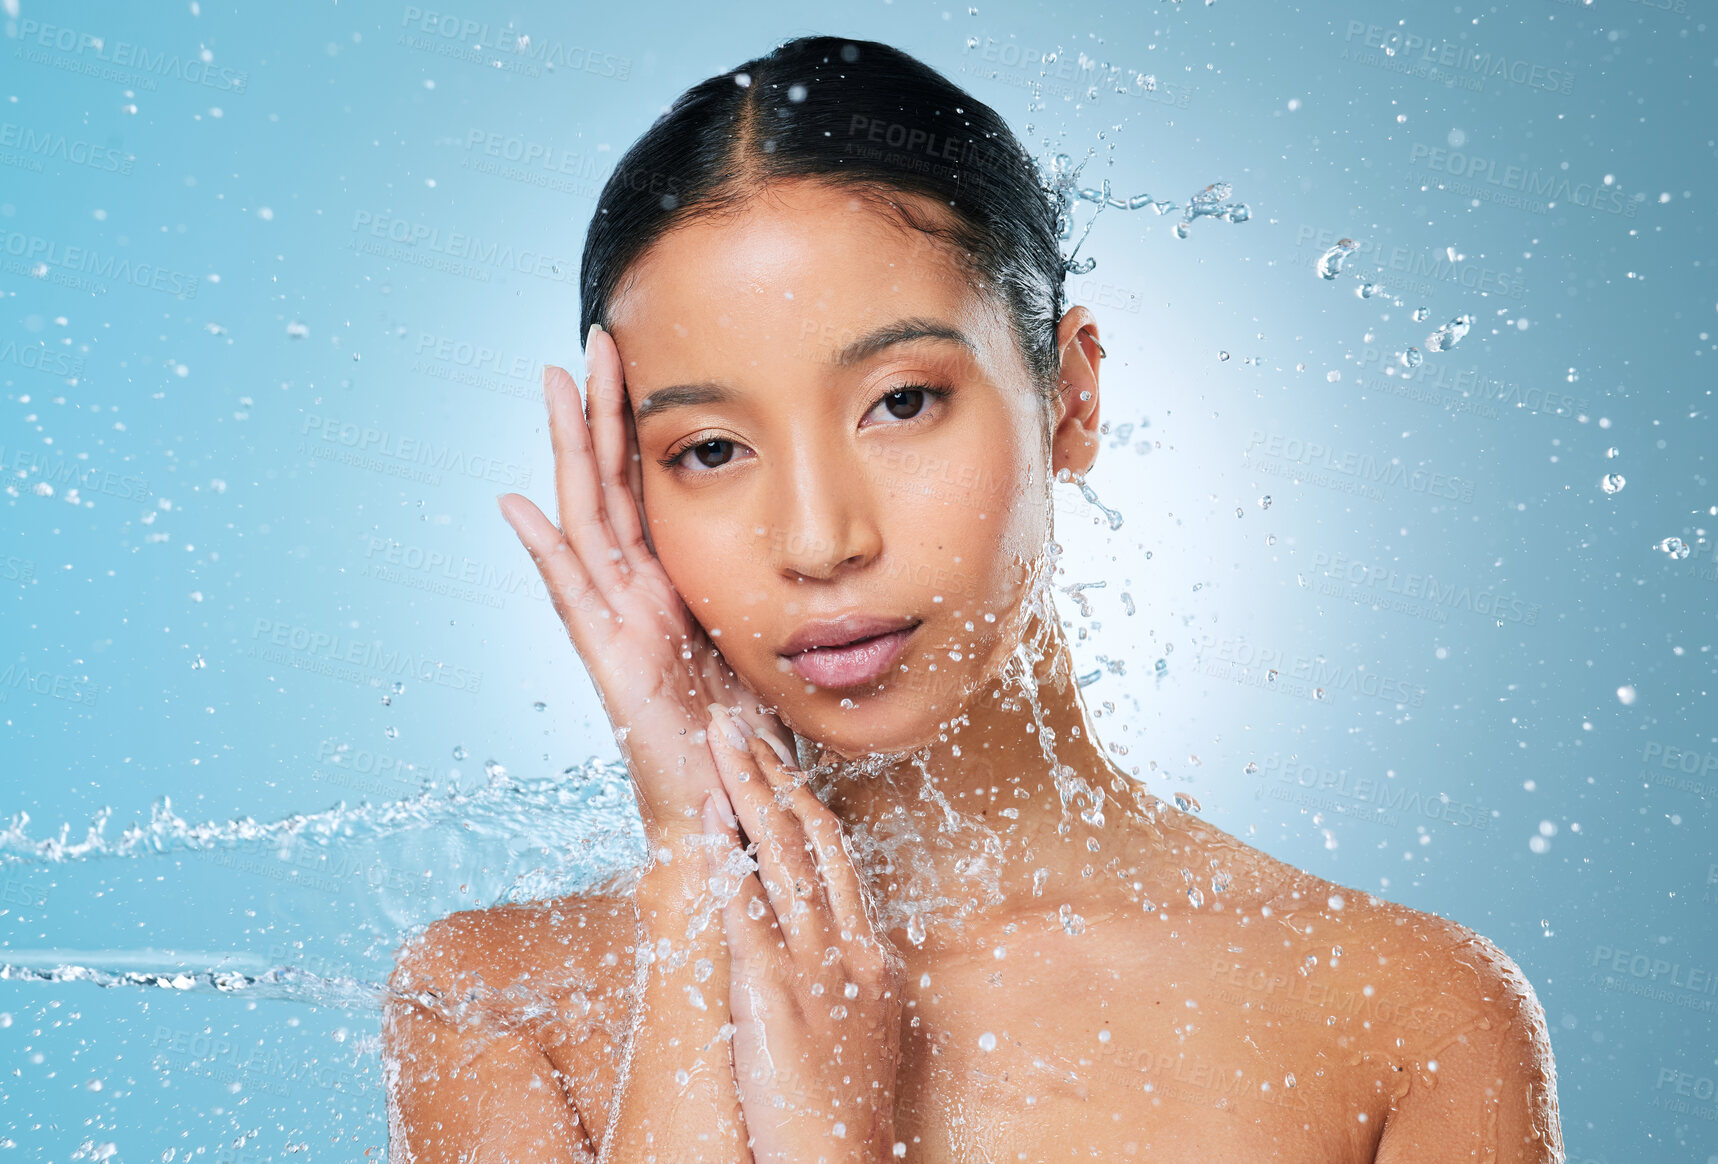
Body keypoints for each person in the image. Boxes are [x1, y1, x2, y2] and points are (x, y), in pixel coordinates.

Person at [382, 35, 1563, 1163]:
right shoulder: (492, 1009)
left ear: (1071, 397)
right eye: (707, 450)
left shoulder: (1402, 1018)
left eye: (899, 402)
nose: (818, 539)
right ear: (624, 491)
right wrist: (699, 891)